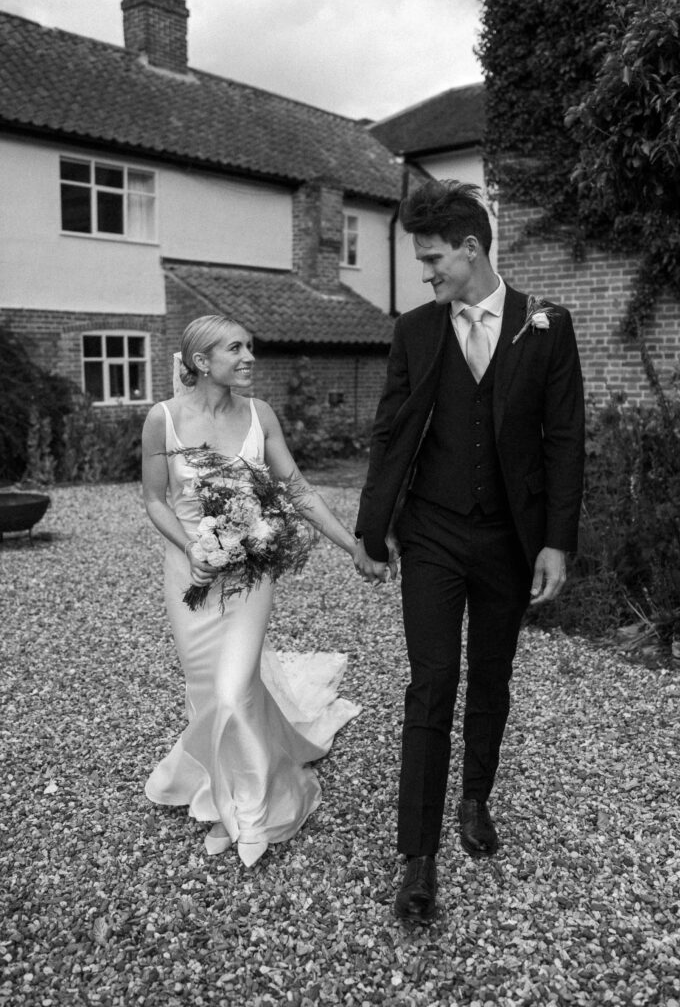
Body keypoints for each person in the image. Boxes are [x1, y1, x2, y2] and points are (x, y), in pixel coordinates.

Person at [354, 180, 585, 922]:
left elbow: (564, 441)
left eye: (432, 260)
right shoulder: (416, 330)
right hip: (431, 529)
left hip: (508, 537)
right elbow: (390, 428)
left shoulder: (546, 326)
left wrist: (556, 542)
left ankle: (475, 797)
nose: (425, 274)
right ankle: (417, 857)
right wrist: (371, 527)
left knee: (491, 675)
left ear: (471, 248)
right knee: (432, 682)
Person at [142, 314, 362, 867]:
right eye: (235, 349)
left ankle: (251, 810)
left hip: (250, 575)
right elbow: (154, 500)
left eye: (250, 347)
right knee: (207, 693)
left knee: (233, 688)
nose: (249, 358)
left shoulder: (260, 415)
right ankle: (223, 794)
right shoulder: (162, 419)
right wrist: (192, 548)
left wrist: (352, 545)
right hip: (189, 577)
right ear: (201, 362)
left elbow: (297, 489)